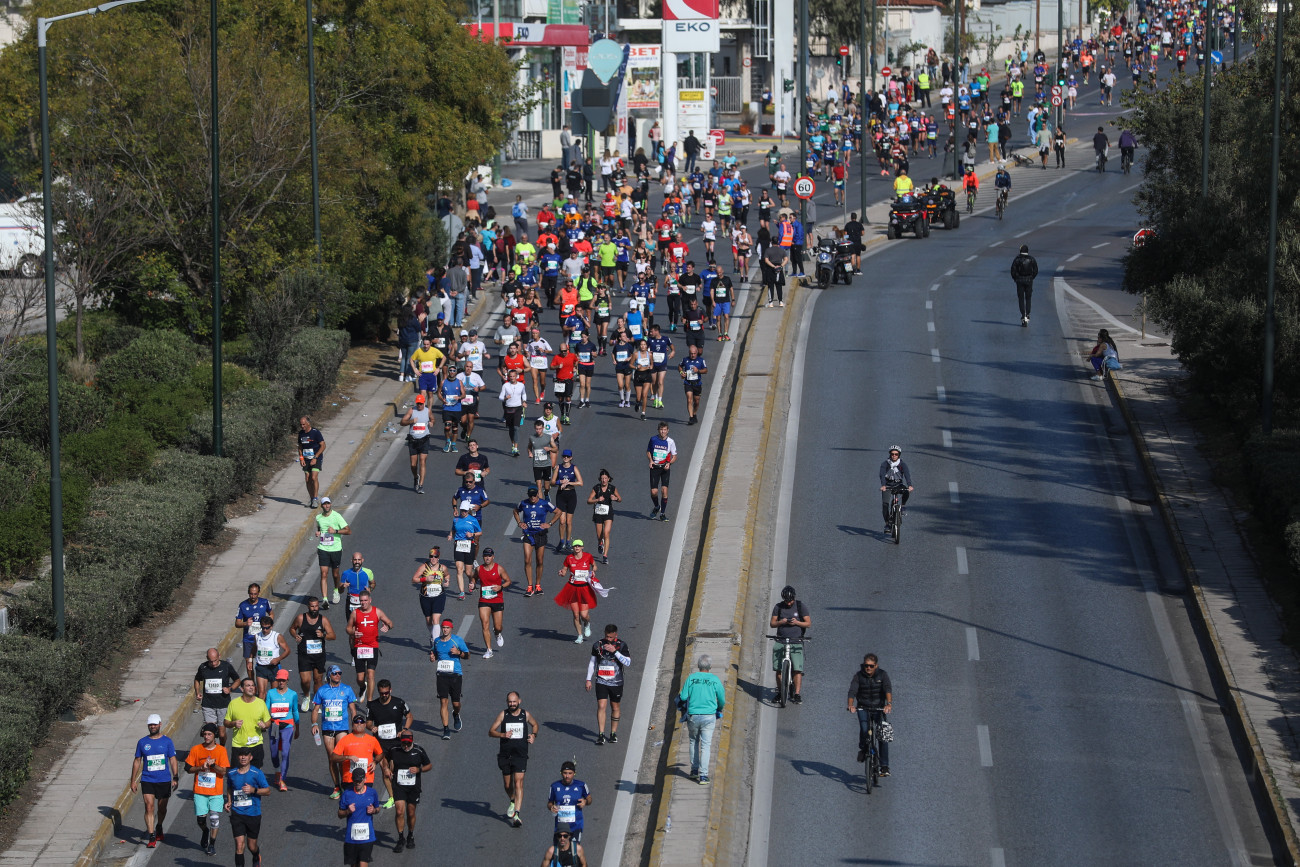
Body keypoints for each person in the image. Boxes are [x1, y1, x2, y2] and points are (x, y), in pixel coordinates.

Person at [488, 691, 539, 827]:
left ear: (519, 701)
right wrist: (502, 734)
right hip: (505, 755)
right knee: (507, 785)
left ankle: (517, 814)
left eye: (514, 702)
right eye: (509, 702)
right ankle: (512, 799)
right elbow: (491, 731)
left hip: (520, 755)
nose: (512, 704)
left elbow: (535, 725)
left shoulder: (525, 715)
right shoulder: (503, 715)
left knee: (519, 783)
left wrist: (534, 735)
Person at [311, 664, 360, 799]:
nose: (338, 675)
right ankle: (336, 786)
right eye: (335, 673)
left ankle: (346, 783)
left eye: (339, 673)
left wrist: (356, 725)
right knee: (332, 758)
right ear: (329, 675)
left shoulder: (347, 689)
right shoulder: (322, 690)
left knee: (343, 757)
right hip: (327, 729)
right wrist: (314, 724)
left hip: (342, 728)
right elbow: (315, 710)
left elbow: (353, 709)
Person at [131, 713, 179, 848]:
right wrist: (133, 780)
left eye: (154, 724)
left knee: (162, 808)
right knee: (149, 806)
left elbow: (173, 759)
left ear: (160, 725)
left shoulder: (167, 741)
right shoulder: (142, 742)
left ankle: (159, 826)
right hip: (147, 779)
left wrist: (175, 776)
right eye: (150, 725)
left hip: (164, 779)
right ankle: (152, 835)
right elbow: (137, 761)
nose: (152, 727)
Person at [677, 655, 725, 785]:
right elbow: (722, 699)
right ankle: (703, 776)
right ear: (710, 666)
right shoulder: (715, 680)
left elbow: (683, 696)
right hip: (709, 716)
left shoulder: (691, 678)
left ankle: (694, 770)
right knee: (706, 745)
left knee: (693, 741)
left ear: (698, 666)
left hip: (693, 715)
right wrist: (719, 709)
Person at [184, 723, 228, 856]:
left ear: (215, 736)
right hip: (200, 791)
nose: (206, 737)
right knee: (201, 820)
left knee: (214, 818)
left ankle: (212, 845)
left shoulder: (221, 750)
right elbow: (188, 769)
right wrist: (200, 768)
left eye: (209, 734)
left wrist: (214, 765)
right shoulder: (196, 749)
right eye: (205, 734)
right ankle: (205, 831)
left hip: (215, 792)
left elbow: (224, 771)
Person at [847, 653, 893, 776]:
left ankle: (884, 766)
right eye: (866, 665)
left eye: (871, 666)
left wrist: (888, 704)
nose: (868, 668)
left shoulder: (883, 675)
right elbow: (852, 691)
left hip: (879, 709)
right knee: (864, 729)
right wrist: (851, 705)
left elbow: (888, 689)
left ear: (876, 666)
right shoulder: (858, 676)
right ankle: (864, 747)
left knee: (883, 736)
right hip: (863, 707)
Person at [585, 624, 631, 745]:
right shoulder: (597, 645)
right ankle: (601, 734)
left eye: (611, 637)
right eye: (606, 636)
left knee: (615, 707)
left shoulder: (622, 645)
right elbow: (592, 663)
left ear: (616, 635)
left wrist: (615, 651)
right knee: (601, 706)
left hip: (616, 682)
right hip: (601, 680)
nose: (608, 639)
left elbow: (628, 662)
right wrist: (588, 679)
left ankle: (613, 733)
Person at [389, 729, 432, 853]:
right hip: (399, 785)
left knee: (411, 812)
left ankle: (410, 835)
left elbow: (429, 765)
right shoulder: (394, 749)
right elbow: (386, 760)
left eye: (408, 744)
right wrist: (387, 769)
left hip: (413, 787)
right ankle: (401, 837)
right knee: (399, 810)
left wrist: (419, 770)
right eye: (404, 744)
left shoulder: (419, 750)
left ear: (412, 741)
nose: (406, 746)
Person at [289, 597, 335, 711]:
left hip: (318, 655)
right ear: (308, 607)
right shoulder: (301, 618)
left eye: (316, 606)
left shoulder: (323, 620)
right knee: (305, 680)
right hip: (304, 654)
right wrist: (295, 635)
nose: (315, 609)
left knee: (317, 680)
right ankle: (306, 696)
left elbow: (333, 636)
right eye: (312, 606)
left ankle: (316, 702)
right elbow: (292, 629)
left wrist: (323, 635)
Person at [225, 748, 269, 865]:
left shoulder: (257, 773)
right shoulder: (232, 773)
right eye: (241, 755)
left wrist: (253, 790)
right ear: (238, 757)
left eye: (246, 756)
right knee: (239, 845)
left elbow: (267, 791)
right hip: (237, 813)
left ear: (251, 758)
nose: (243, 758)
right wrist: (229, 801)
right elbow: (230, 788)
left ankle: (256, 855)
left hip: (253, 814)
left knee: (251, 845)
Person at [347, 590, 393, 702]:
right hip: (359, 647)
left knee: (371, 675)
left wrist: (388, 626)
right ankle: (363, 687)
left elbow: (390, 623)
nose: (363, 603)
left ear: (370, 600)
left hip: (372, 646)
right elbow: (348, 628)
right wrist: (353, 633)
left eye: (365, 600)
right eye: (361, 601)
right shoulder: (355, 613)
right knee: (360, 678)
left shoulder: (377, 612)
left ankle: (370, 702)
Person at [332, 714, 386, 807]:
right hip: (349, 779)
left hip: (366, 778)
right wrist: (347, 757)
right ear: (353, 725)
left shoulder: (372, 740)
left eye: (361, 722)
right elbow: (333, 757)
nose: (359, 724)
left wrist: (375, 762)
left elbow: (380, 753)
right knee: (351, 807)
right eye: (356, 722)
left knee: (365, 806)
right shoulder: (345, 739)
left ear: (365, 725)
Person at [769, 586, 811, 703]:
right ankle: (780, 691)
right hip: (781, 640)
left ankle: (797, 694)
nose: (789, 603)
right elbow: (772, 623)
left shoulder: (800, 606)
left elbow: (808, 623)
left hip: (795, 641)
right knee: (778, 669)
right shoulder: (778, 607)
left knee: (798, 669)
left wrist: (797, 622)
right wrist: (781, 622)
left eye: (790, 600)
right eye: (786, 601)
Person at [430, 619, 470, 740]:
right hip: (441, 675)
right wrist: (433, 657)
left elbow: (467, 655)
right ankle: (446, 729)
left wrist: (458, 652)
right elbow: (435, 653)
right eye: (443, 627)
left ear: (451, 629)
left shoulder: (457, 640)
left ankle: (456, 714)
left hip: (455, 675)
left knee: (456, 704)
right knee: (443, 702)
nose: (445, 629)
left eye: (447, 627)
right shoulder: (437, 641)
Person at [471, 547, 513, 657]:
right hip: (484, 600)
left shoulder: (499, 569)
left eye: (489, 555)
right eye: (485, 555)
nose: (487, 557)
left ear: (493, 557)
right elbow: (473, 578)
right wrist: (472, 584)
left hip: (497, 600)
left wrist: (501, 587)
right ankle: (489, 650)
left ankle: (497, 633)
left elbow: (508, 581)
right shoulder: (479, 569)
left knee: (498, 627)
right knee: (485, 624)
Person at [193, 647, 240, 745]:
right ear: (207, 658)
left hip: (223, 704)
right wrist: (197, 692)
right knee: (210, 732)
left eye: (215, 661)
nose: (213, 664)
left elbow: (237, 680)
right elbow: (197, 680)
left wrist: (230, 689)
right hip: (208, 705)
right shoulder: (203, 667)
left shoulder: (226, 666)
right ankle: (212, 751)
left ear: (219, 656)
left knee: (222, 734)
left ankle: (221, 749)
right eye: (210, 661)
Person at [555, 539, 599, 644]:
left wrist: (593, 571)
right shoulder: (569, 558)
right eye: (575, 546)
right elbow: (565, 570)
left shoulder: (588, 556)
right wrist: (562, 573)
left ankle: (587, 624)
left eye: (579, 546)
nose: (577, 548)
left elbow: (595, 565)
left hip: (584, 588)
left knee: (584, 615)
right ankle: (579, 635)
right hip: (572, 588)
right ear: (573, 548)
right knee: (575, 614)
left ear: (582, 547)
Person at [224, 677, 272, 769]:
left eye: (253, 685)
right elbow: (226, 722)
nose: (251, 688)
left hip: (256, 744)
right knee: (237, 775)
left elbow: (268, 721)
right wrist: (233, 723)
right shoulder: (234, 704)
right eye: (248, 685)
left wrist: (265, 725)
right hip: (239, 745)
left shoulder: (261, 703)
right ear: (242, 689)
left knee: (255, 774)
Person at [338, 767, 380, 867]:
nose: (358, 783)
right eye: (355, 781)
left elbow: (378, 809)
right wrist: (347, 811)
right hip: (351, 838)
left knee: (363, 864)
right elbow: (339, 814)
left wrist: (373, 810)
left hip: (367, 837)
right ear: (352, 780)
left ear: (365, 779)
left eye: (360, 781)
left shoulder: (372, 793)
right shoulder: (347, 794)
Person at [265, 669, 299, 791]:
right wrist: (265, 722)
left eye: (283, 680)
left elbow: (295, 710)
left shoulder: (293, 694)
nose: (281, 682)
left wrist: (298, 727)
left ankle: (282, 780)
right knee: (274, 753)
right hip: (274, 725)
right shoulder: (271, 693)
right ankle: (277, 771)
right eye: (279, 680)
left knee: (285, 753)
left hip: (288, 726)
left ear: (287, 680)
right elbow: (266, 709)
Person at [315, 497, 351, 608]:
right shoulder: (318, 518)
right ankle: (325, 599)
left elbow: (348, 531)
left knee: (335, 574)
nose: (327, 506)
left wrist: (335, 531)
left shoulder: (337, 516)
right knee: (324, 573)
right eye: (324, 504)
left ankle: (336, 590)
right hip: (323, 548)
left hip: (335, 549)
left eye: (328, 504)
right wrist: (319, 533)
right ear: (321, 506)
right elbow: (320, 528)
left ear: (330, 504)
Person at [412, 546, 450, 645]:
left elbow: (447, 575)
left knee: (435, 619)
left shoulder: (442, 568)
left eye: (435, 556)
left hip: (439, 596)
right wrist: (424, 579)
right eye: (431, 556)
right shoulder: (424, 567)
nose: (433, 559)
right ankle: (434, 635)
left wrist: (447, 581)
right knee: (429, 621)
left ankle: (437, 643)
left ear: (438, 558)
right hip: (425, 596)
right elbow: (414, 579)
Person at [547, 761, 592, 841]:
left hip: (576, 825)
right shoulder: (554, 786)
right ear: (561, 773)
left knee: (574, 850)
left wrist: (585, 801)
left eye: (570, 773)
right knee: (557, 852)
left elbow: (589, 799)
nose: (567, 776)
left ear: (574, 773)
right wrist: (552, 807)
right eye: (565, 773)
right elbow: (550, 803)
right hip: (560, 827)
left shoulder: (581, 785)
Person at [235, 582, 271, 677]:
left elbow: (271, 613)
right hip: (248, 639)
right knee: (249, 664)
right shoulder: (242, 605)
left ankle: (261, 682)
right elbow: (237, 623)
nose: (253, 596)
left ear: (259, 593)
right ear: (248, 593)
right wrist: (245, 623)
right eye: (251, 594)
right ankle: (252, 684)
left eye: (255, 594)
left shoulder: (265, 602)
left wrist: (268, 624)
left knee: (262, 662)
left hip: (262, 637)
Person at [551, 450, 584, 552]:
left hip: (571, 495)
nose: (565, 458)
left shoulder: (574, 468)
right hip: (561, 495)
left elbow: (580, 483)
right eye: (564, 456)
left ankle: (568, 542)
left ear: (571, 458)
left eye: (567, 456)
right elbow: (552, 482)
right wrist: (559, 482)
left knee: (569, 522)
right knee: (562, 521)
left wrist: (569, 483)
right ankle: (561, 542)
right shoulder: (558, 468)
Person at [400, 393, 433, 493]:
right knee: (413, 465)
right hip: (413, 440)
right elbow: (402, 422)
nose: (419, 405)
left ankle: (421, 485)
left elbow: (433, 418)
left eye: (421, 404)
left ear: (424, 403)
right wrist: (411, 421)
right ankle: (416, 477)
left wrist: (432, 422)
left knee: (422, 461)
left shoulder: (428, 411)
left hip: (424, 440)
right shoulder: (412, 410)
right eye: (418, 404)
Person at [585, 469, 621, 564]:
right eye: (602, 478)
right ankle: (600, 543)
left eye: (605, 478)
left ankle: (605, 556)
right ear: (600, 479)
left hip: (608, 512)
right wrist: (597, 499)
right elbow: (588, 501)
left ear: (609, 479)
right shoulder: (596, 488)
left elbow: (620, 499)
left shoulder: (612, 488)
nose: (604, 480)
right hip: (598, 513)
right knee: (599, 535)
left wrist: (615, 498)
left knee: (606, 533)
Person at [250, 616, 290, 698]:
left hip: (273, 667)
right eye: (263, 628)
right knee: (261, 693)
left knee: (273, 693)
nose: (265, 630)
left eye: (267, 628)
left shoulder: (277, 636)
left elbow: (287, 650)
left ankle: (271, 710)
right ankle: (262, 711)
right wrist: (250, 660)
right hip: (261, 667)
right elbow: (254, 648)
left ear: (271, 626)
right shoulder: (257, 636)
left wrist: (278, 659)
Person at [879, 445, 914, 531]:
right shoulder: (885, 464)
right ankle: (887, 524)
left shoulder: (902, 464)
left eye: (896, 454)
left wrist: (909, 485)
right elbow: (882, 475)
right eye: (892, 454)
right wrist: (883, 485)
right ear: (890, 454)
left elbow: (907, 474)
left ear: (899, 455)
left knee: (906, 492)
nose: (894, 456)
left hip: (898, 485)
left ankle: (902, 506)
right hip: (887, 486)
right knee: (885, 505)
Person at [647, 422, 677, 521]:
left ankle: (662, 514)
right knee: (654, 492)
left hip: (664, 468)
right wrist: (651, 461)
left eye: (664, 430)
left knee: (664, 491)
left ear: (667, 430)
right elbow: (648, 451)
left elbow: (674, 456)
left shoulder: (670, 442)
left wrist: (669, 463)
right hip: (655, 468)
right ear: (658, 430)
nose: (663, 431)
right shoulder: (653, 439)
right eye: (661, 429)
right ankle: (656, 507)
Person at [297, 415, 326, 507]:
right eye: (301, 425)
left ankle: (315, 498)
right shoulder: (301, 434)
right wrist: (301, 458)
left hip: (316, 458)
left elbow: (323, 445)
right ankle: (311, 497)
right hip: (306, 459)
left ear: (308, 423)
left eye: (304, 424)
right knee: (307, 478)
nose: (302, 426)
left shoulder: (315, 432)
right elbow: (300, 447)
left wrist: (315, 457)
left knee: (314, 477)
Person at [678, 344, 708, 425]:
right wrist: (681, 372)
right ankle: (691, 417)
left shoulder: (701, 360)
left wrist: (698, 370)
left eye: (694, 353)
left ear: (697, 353)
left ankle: (694, 414)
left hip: (697, 384)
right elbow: (680, 366)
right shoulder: (685, 360)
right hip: (688, 383)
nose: (693, 355)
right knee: (689, 400)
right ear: (689, 353)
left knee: (697, 402)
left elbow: (705, 370)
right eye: (691, 353)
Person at [1010, 244, 1039, 326]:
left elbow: (1012, 270)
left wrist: (1016, 279)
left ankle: (1023, 315)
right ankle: (1028, 313)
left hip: (1019, 281)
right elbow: (1036, 270)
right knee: (1028, 298)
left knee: (1021, 298)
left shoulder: (1017, 259)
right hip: (1029, 280)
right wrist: (1031, 277)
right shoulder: (1031, 259)